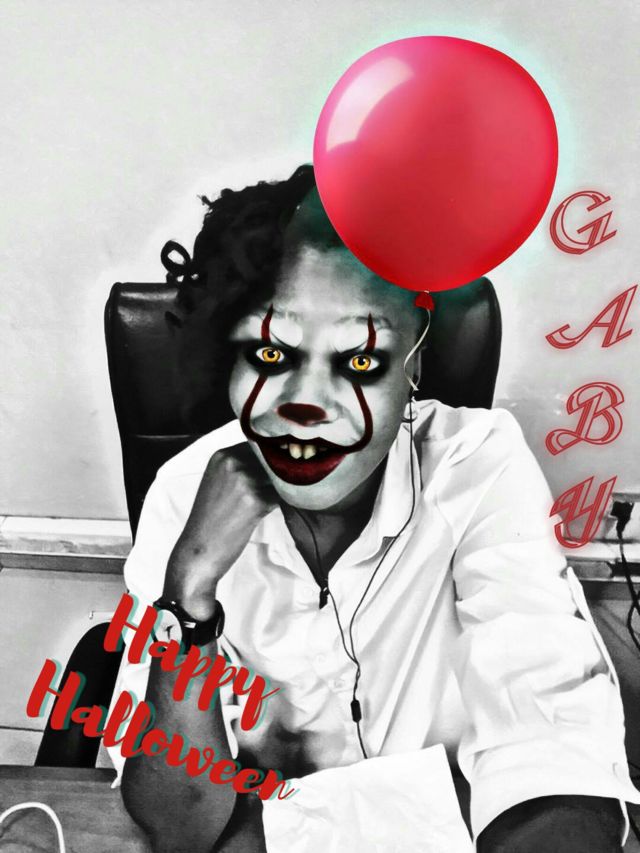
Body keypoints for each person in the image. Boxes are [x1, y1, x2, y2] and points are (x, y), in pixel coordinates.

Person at [109, 164, 640, 852]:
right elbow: (180, 823)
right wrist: (189, 595)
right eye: (270, 351)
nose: (306, 405)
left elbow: (553, 753)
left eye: (360, 361)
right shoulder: (183, 493)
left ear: (413, 363)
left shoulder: (480, 465)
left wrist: (272, 824)